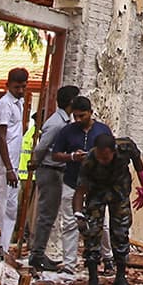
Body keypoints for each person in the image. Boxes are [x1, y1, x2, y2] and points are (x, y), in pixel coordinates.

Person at [72, 135, 143, 285]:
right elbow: (80, 191)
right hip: (96, 193)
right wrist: (78, 214)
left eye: (106, 157)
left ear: (114, 151)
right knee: (92, 233)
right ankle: (93, 279)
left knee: (121, 233)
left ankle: (121, 278)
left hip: (119, 190)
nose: (102, 160)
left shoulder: (126, 146)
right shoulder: (89, 160)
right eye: (100, 157)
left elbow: (138, 162)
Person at [46, 96, 116, 270]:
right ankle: (70, 264)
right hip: (72, 181)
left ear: (91, 113)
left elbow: (111, 155)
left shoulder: (102, 130)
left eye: (82, 116)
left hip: (97, 184)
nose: (78, 120)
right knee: (70, 223)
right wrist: (71, 157)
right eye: (75, 116)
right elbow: (55, 154)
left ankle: (107, 257)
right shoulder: (67, 131)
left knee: (102, 225)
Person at [24, 85, 79, 270]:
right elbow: (42, 146)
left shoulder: (63, 121)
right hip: (49, 170)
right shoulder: (57, 123)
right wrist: (35, 161)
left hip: (55, 170)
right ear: (71, 102)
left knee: (50, 214)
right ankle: (37, 255)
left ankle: (39, 253)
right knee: (46, 215)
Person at [0, 68, 31, 245]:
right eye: (16, 87)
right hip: (1, 164)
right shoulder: (4, 105)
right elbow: (1, 136)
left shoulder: (19, 103)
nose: (20, 90)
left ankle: (3, 248)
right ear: (8, 85)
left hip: (13, 164)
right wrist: (9, 167)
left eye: (23, 87)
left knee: (10, 208)